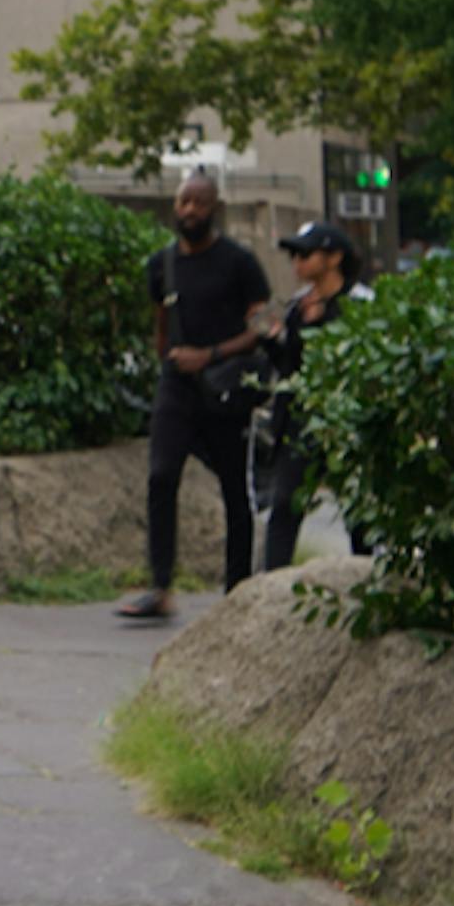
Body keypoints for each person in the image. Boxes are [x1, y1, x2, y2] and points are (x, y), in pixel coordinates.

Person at [118, 170, 269, 621]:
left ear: (214, 208)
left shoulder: (239, 263)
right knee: (161, 476)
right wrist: (168, 359)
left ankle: (237, 588)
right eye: (183, 202)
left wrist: (211, 355)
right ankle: (160, 586)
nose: (188, 210)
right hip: (176, 387)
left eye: (198, 203)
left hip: (224, 388)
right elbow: (159, 325)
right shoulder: (161, 264)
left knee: (233, 489)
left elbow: (260, 326)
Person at [248, 218, 370, 573]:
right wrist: (272, 342)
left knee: (357, 512)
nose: (297, 264)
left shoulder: (360, 304)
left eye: (305, 254)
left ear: (333, 258)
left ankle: (366, 580)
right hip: (300, 421)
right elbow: (289, 367)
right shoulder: (296, 307)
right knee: (285, 504)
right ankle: (270, 588)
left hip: (344, 420)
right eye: (295, 256)